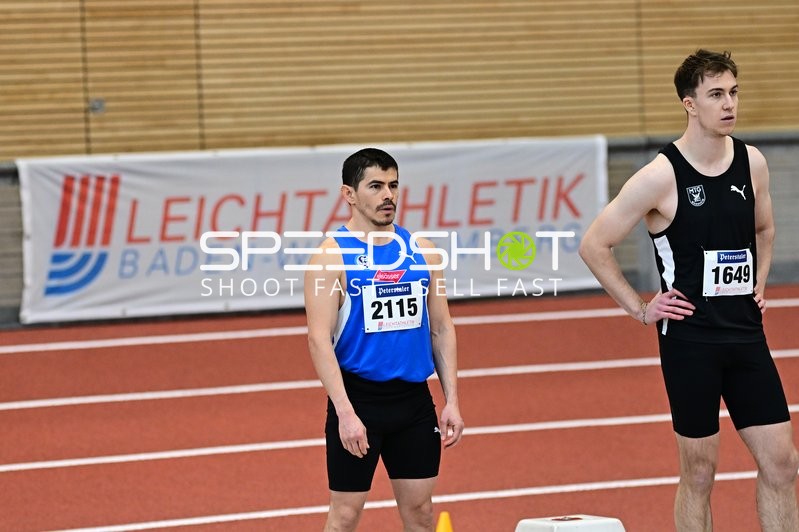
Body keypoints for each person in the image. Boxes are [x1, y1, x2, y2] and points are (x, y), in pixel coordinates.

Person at [579, 49, 799, 531]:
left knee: (783, 464)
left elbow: (765, 230)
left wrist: (759, 281)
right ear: (689, 104)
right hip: (691, 343)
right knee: (700, 472)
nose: (729, 104)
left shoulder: (752, 163)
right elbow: (595, 245)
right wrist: (641, 310)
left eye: (734, 92)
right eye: (716, 94)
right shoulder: (661, 175)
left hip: (746, 336)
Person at [304, 147, 464, 531]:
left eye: (393, 185)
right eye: (375, 186)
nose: (388, 195)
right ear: (349, 194)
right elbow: (318, 341)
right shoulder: (330, 258)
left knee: (421, 513)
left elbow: (441, 328)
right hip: (359, 403)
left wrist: (452, 400)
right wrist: (345, 413)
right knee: (344, 515)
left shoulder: (421, 252)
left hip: (414, 403)